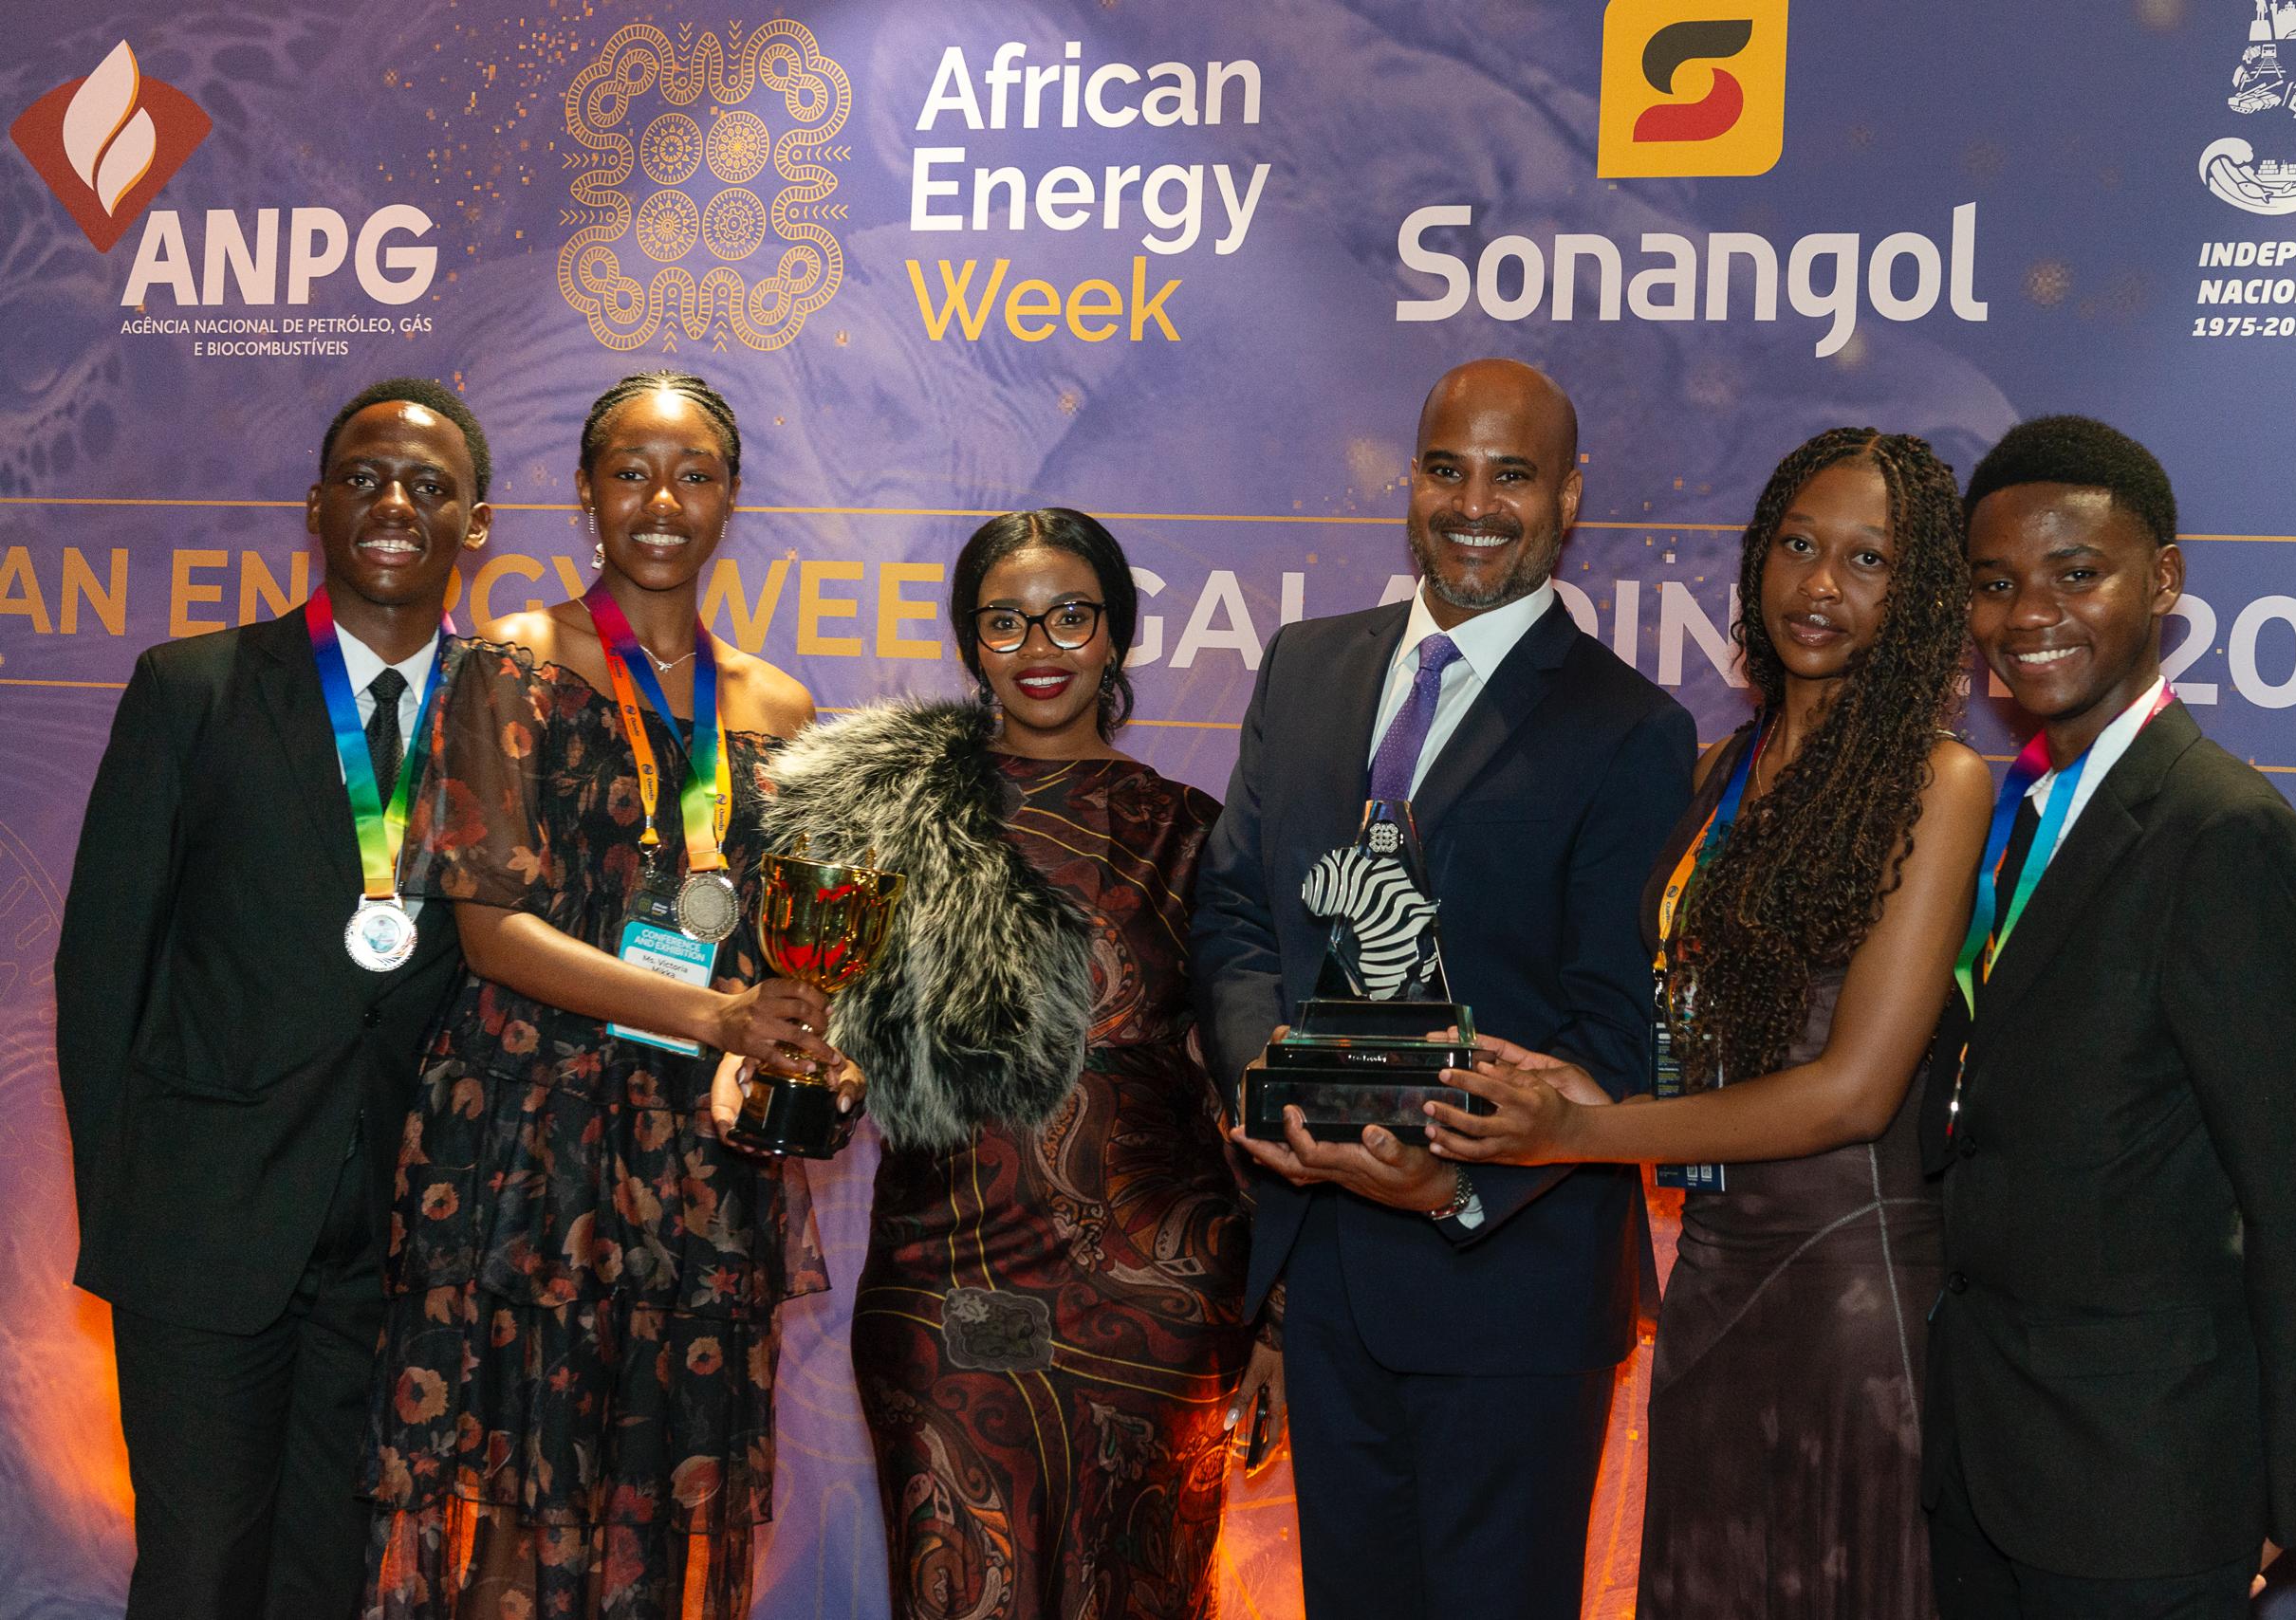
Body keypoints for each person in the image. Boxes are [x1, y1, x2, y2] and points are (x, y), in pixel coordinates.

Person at [1423, 428, 1991, 1617]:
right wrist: (1567, 1089)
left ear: (1921, 590)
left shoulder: (1939, 783)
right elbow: (1683, 1026)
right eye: (1797, 544)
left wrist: (1572, 1136)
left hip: (1851, 1302)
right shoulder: (1718, 767)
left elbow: (1855, 1091)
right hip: (1712, 1285)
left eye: (1868, 560)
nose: (1820, 585)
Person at [1193, 359, 1696, 1619]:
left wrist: (1462, 1182)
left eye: (1512, 474)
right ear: (1409, 482)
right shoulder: (1305, 669)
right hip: (1327, 1271)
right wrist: (1271, 1091)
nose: (1475, 502)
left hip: (1509, 1286)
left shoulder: (1628, 728)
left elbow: (1610, 1029)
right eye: (1447, 468)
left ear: (1568, 498)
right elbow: (1241, 909)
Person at [360, 372, 832, 1620]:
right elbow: (490, 933)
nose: (661, 500)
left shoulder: (783, 710)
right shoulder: (514, 661)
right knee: (522, 1511)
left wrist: (789, 1030)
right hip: (533, 1137)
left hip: (698, 1153)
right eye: (630, 471)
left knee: (660, 1512)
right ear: (584, 492)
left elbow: (777, 952)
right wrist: (719, 1016)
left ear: (732, 495)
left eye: (693, 473)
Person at [743, 508, 1250, 1619]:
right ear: (971, 646)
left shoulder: (1192, 832)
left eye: (1071, 617)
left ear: (1114, 636)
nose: (1040, 648)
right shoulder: (887, 818)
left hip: (1160, 1293)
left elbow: (1232, 1077)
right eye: (1006, 622)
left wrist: (1274, 1311)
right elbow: (822, 1036)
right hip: (952, 1284)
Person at [1919, 415, 2296, 1617]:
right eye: (1996, 584)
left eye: (2077, 573)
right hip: (1986, 1461)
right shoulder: (2028, 812)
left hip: (2147, 1485)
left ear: (2162, 579)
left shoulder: (2220, 830)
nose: (2030, 615)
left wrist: (2282, 1493)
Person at [54, 378, 491, 1620]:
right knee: (197, 1577)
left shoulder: (515, 716)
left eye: (428, 484)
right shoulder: (191, 689)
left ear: (477, 520)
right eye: (362, 476)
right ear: (315, 507)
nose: (393, 503)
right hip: (204, 1231)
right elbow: (101, 971)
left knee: (334, 1584)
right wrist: (134, 1202)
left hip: (406, 1240)